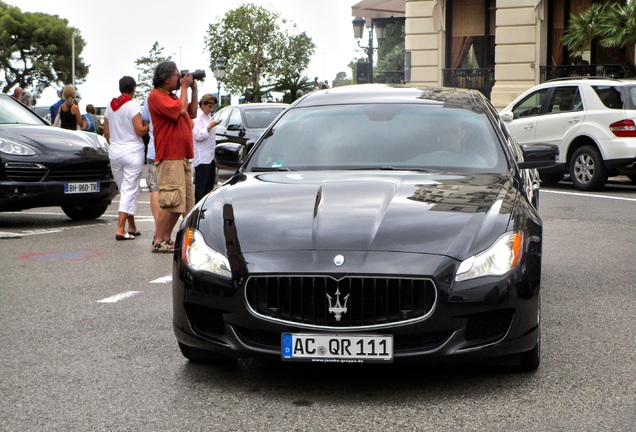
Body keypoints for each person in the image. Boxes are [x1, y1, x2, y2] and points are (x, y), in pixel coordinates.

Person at [147, 61, 198, 253]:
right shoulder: (156, 96)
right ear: (166, 78)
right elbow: (181, 111)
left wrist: (193, 90)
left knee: (181, 203)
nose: (180, 78)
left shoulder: (173, 96)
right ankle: (158, 240)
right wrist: (185, 87)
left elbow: (191, 112)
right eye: (177, 75)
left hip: (181, 156)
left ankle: (166, 238)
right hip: (170, 156)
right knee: (170, 202)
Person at [103, 76, 149, 241]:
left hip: (115, 151)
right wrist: (149, 125)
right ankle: (120, 229)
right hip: (132, 151)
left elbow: (106, 132)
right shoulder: (132, 105)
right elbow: (139, 130)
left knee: (125, 191)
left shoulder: (110, 105)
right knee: (130, 191)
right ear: (133, 88)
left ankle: (132, 226)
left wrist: (115, 142)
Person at [192, 93, 221, 203]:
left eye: (212, 106)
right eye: (209, 106)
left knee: (209, 186)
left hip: (210, 155)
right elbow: (198, 135)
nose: (211, 109)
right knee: (201, 187)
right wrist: (209, 127)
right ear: (202, 105)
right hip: (202, 157)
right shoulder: (198, 117)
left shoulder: (208, 116)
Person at [141, 95, 159, 242]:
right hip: (170, 150)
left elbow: (145, 121)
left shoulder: (150, 98)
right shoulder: (174, 96)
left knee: (155, 189)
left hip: (154, 149)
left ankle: (158, 226)